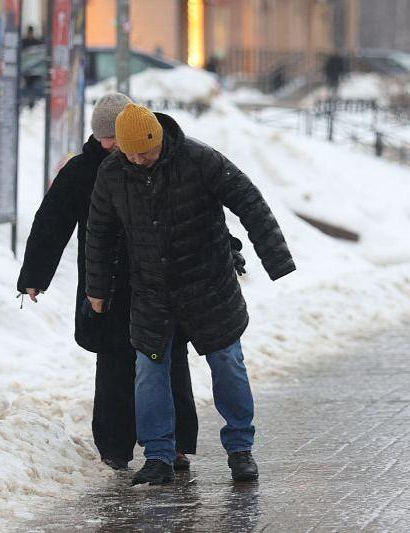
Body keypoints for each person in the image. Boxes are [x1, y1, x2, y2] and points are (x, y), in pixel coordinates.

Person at [85, 103, 295, 486]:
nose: (138, 160)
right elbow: (98, 232)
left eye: (144, 153)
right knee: (149, 371)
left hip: (209, 285)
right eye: (130, 154)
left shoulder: (200, 159)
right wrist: (96, 289)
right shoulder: (114, 173)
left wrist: (275, 258)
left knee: (228, 363)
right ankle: (159, 455)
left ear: (159, 140)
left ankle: (240, 449)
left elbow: (249, 201)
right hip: (151, 291)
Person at [17, 93, 207, 471]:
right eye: (107, 138)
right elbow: (51, 222)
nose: (115, 145)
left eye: (117, 137)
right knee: (115, 365)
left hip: (161, 281)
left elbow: (194, 212)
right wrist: (35, 276)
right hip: (107, 284)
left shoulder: (160, 161)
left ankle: (175, 444)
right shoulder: (83, 170)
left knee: (169, 360)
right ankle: (115, 448)